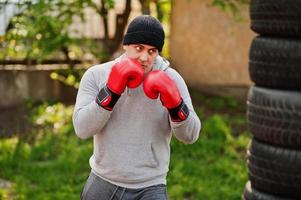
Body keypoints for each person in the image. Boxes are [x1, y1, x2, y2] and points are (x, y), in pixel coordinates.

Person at [73, 15, 201, 200]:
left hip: (150, 186)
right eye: (139, 48)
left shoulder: (172, 79)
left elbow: (190, 136)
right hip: (103, 181)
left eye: (152, 51)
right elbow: (82, 129)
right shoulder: (97, 75)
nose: (144, 57)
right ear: (126, 45)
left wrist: (175, 105)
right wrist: (110, 92)